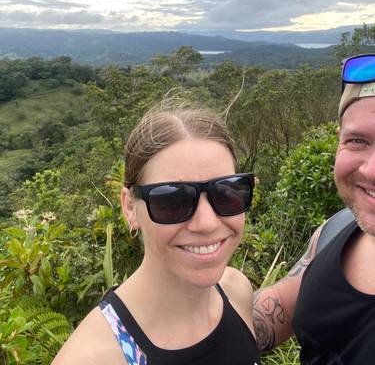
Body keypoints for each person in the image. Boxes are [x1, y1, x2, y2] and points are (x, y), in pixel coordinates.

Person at [53, 103, 261, 365]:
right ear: (130, 207)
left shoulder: (235, 291)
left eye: (227, 192)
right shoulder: (96, 357)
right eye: (173, 200)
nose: (207, 223)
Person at [253, 53, 375, 364]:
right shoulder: (339, 228)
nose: (372, 170)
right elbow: (284, 303)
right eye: (358, 141)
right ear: (339, 142)